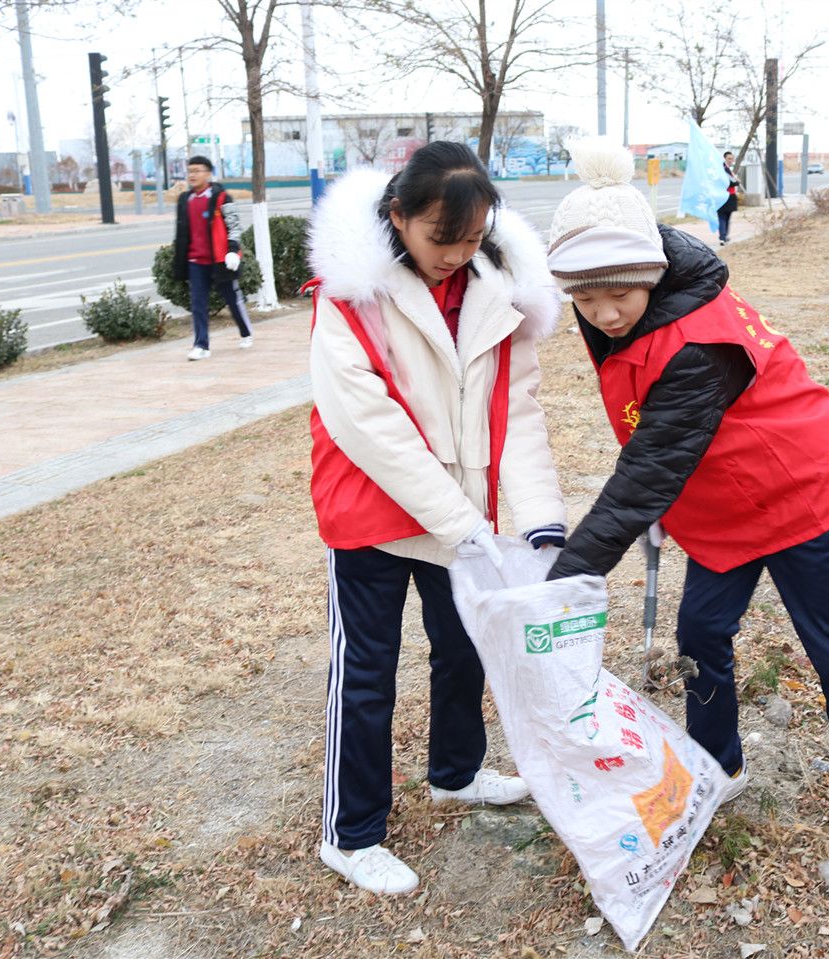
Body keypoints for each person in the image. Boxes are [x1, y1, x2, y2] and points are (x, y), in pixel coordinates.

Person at [544, 139, 829, 888]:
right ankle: (720, 766)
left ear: (650, 273)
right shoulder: (616, 309)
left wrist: (568, 576)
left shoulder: (696, 341)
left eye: (617, 293)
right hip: (719, 500)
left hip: (794, 489)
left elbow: (648, 469)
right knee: (702, 634)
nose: (603, 311)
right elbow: (653, 443)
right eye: (584, 297)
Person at [305, 141, 566, 896]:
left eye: (472, 237)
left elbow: (514, 412)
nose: (455, 254)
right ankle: (350, 835)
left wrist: (541, 518)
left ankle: (455, 772)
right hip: (373, 514)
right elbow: (371, 429)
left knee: (464, 651)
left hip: (462, 519)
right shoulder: (350, 294)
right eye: (438, 238)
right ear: (398, 217)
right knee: (366, 674)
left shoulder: (501, 290)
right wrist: (464, 523)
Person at [172, 155, 253, 360]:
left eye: (197, 171)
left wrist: (233, 250)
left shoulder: (221, 197)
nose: (193, 175)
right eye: (190, 171)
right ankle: (201, 345)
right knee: (198, 304)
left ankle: (245, 332)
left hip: (219, 260)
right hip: (195, 262)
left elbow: (233, 225)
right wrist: (179, 261)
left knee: (232, 300)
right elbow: (181, 233)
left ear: (208, 174)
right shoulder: (185, 199)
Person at [717, 150, 740, 245]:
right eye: (729, 158)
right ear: (724, 158)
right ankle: (723, 237)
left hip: (730, 196)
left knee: (726, 217)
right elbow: (731, 182)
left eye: (732, 158)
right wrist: (737, 182)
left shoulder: (728, 169)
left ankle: (724, 235)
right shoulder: (723, 169)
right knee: (722, 217)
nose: (731, 160)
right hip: (724, 196)